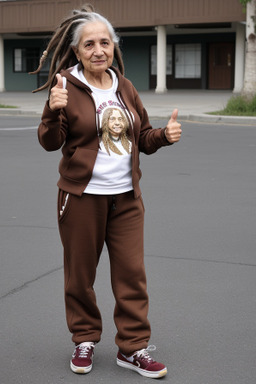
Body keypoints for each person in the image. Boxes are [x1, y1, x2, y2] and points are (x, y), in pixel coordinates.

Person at [31, 3, 181, 379]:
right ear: (77, 50)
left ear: (113, 46)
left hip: (127, 199)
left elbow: (142, 138)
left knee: (132, 274)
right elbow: (50, 142)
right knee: (80, 275)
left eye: (105, 42)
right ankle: (84, 338)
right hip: (82, 198)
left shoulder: (124, 87)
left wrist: (163, 136)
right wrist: (51, 110)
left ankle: (133, 349)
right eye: (89, 45)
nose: (99, 50)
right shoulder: (65, 85)